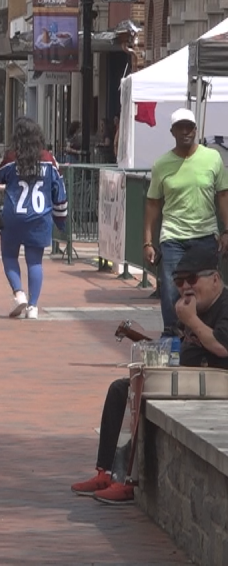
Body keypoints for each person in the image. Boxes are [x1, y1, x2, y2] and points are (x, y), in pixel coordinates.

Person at [70, 243, 228, 504]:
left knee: (139, 393)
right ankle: (106, 472)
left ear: (215, 279)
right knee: (122, 388)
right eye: (179, 281)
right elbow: (174, 347)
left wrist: (192, 321)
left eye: (192, 279)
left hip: (214, 385)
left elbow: (221, 347)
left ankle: (127, 480)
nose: (186, 287)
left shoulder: (223, 306)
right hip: (187, 380)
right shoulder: (189, 310)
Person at [144, 108, 228, 337]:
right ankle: (173, 335)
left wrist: (226, 230)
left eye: (189, 127)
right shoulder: (162, 164)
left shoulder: (212, 158)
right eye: (180, 127)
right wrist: (148, 242)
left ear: (195, 129)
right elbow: (152, 203)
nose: (185, 131)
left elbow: (223, 195)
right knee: (172, 289)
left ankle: (204, 334)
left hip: (205, 235)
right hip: (173, 237)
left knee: (205, 289)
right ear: (172, 132)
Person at [0, 118, 67, 319]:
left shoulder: (11, 157)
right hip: (40, 217)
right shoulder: (49, 160)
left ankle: (19, 294)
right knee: (35, 262)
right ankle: (33, 307)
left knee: (9, 256)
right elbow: (59, 191)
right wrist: (61, 220)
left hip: (13, 216)